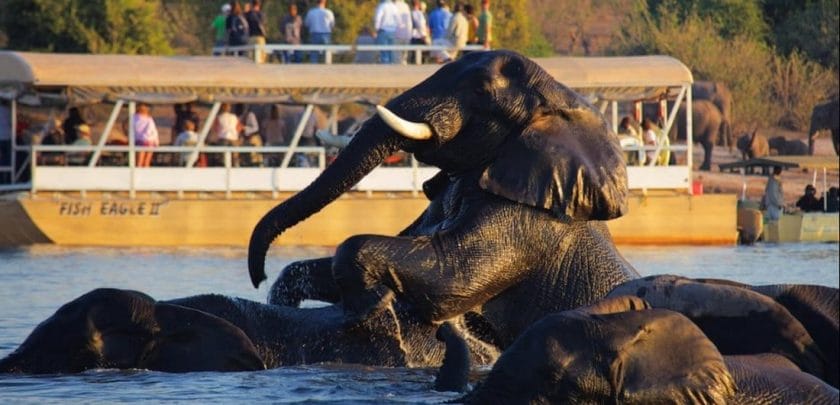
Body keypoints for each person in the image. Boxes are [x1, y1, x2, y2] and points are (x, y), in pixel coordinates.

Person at [133, 104, 159, 168]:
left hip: (141, 140)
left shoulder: (134, 118)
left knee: (140, 162)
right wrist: (156, 141)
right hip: (149, 140)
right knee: (145, 162)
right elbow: (153, 130)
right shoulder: (149, 119)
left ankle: (139, 174)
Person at [393, 0, 413, 64]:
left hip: (396, 34)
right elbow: (409, 21)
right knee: (404, 56)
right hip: (407, 34)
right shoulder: (406, 6)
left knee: (397, 56)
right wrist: (410, 34)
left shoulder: (393, 6)